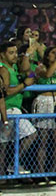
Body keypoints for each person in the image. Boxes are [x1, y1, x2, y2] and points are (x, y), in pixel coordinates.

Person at [32, 46, 56, 181]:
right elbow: (47, 74)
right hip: (44, 103)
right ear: (47, 56)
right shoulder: (40, 67)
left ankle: (53, 171)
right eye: (54, 53)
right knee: (44, 140)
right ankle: (41, 172)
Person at [0, 42, 36, 171]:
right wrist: (23, 85)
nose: (15, 56)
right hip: (9, 110)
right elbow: (5, 92)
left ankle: (9, 168)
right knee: (29, 134)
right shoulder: (3, 69)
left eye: (16, 52)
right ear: (2, 55)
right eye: (11, 53)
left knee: (5, 143)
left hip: (15, 109)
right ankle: (11, 165)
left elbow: (31, 76)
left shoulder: (13, 67)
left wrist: (31, 70)